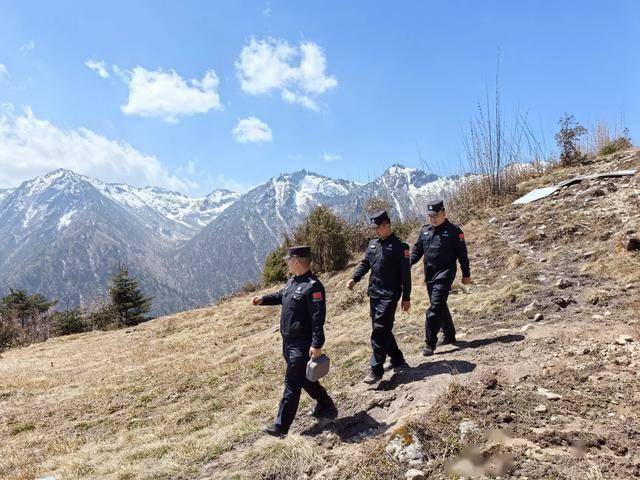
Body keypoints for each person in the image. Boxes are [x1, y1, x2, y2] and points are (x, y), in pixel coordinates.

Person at [252, 246, 337, 437]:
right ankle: (325, 404)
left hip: (301, 344)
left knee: (292, 382)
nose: (287, 263)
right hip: (287, 342)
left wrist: (317, 344)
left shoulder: (313, 286)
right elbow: (281, 296)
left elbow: (318, 318)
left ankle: (280, 427)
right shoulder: (293, 281)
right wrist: (263, 300)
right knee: (304, 378)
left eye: (288, 260)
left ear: (297, 261)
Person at [347, 210, 411, 384]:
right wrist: (354, 278)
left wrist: (406, 297)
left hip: (389, 295)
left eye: (378, 228)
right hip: (374, 293)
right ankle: (397, 358)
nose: (375, 231)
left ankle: (376, 369)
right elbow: (365, 264)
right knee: (382, 329)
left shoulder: (400, 246)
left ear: (387, 225)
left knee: (379, 331)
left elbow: (405, 275)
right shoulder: (373, 244)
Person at [410, 200, 471, 356]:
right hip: (430, 275)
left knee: (435, 306)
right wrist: (405, 265)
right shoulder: (425, 231)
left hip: (445, 274)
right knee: (440, 305)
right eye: (430, 216)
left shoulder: (454, 231)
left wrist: (466, 274)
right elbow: (416, 251)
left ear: (444, 213)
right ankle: (449, 334)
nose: (433, 219)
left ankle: (430, 343)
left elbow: (462, 255)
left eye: (436, 215)